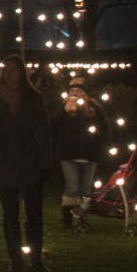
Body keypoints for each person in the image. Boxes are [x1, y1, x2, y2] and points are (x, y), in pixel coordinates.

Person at [0, 55, 53, 272]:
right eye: (7, 70)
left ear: (22, 72)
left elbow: (44, 131)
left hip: (29, 160)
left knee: (34, 214)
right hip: (5, 162)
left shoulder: (33, 98)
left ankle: (35, 258)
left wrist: (45, 162)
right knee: (10, 214)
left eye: (15, 70)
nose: (11, 74)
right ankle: (15, 258)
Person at [51, 75, 108, 231]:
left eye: (79, 90)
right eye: (72, 90)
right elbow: (53, 125)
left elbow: (104, 128)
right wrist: (64, 111)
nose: (75, 93)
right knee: (72, 188)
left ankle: (81, 217)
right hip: (68, 154)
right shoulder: (63, 108)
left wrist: (102, 146)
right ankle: (67, 219)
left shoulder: (95, 108)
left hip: (90, 154)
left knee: (85, 189)